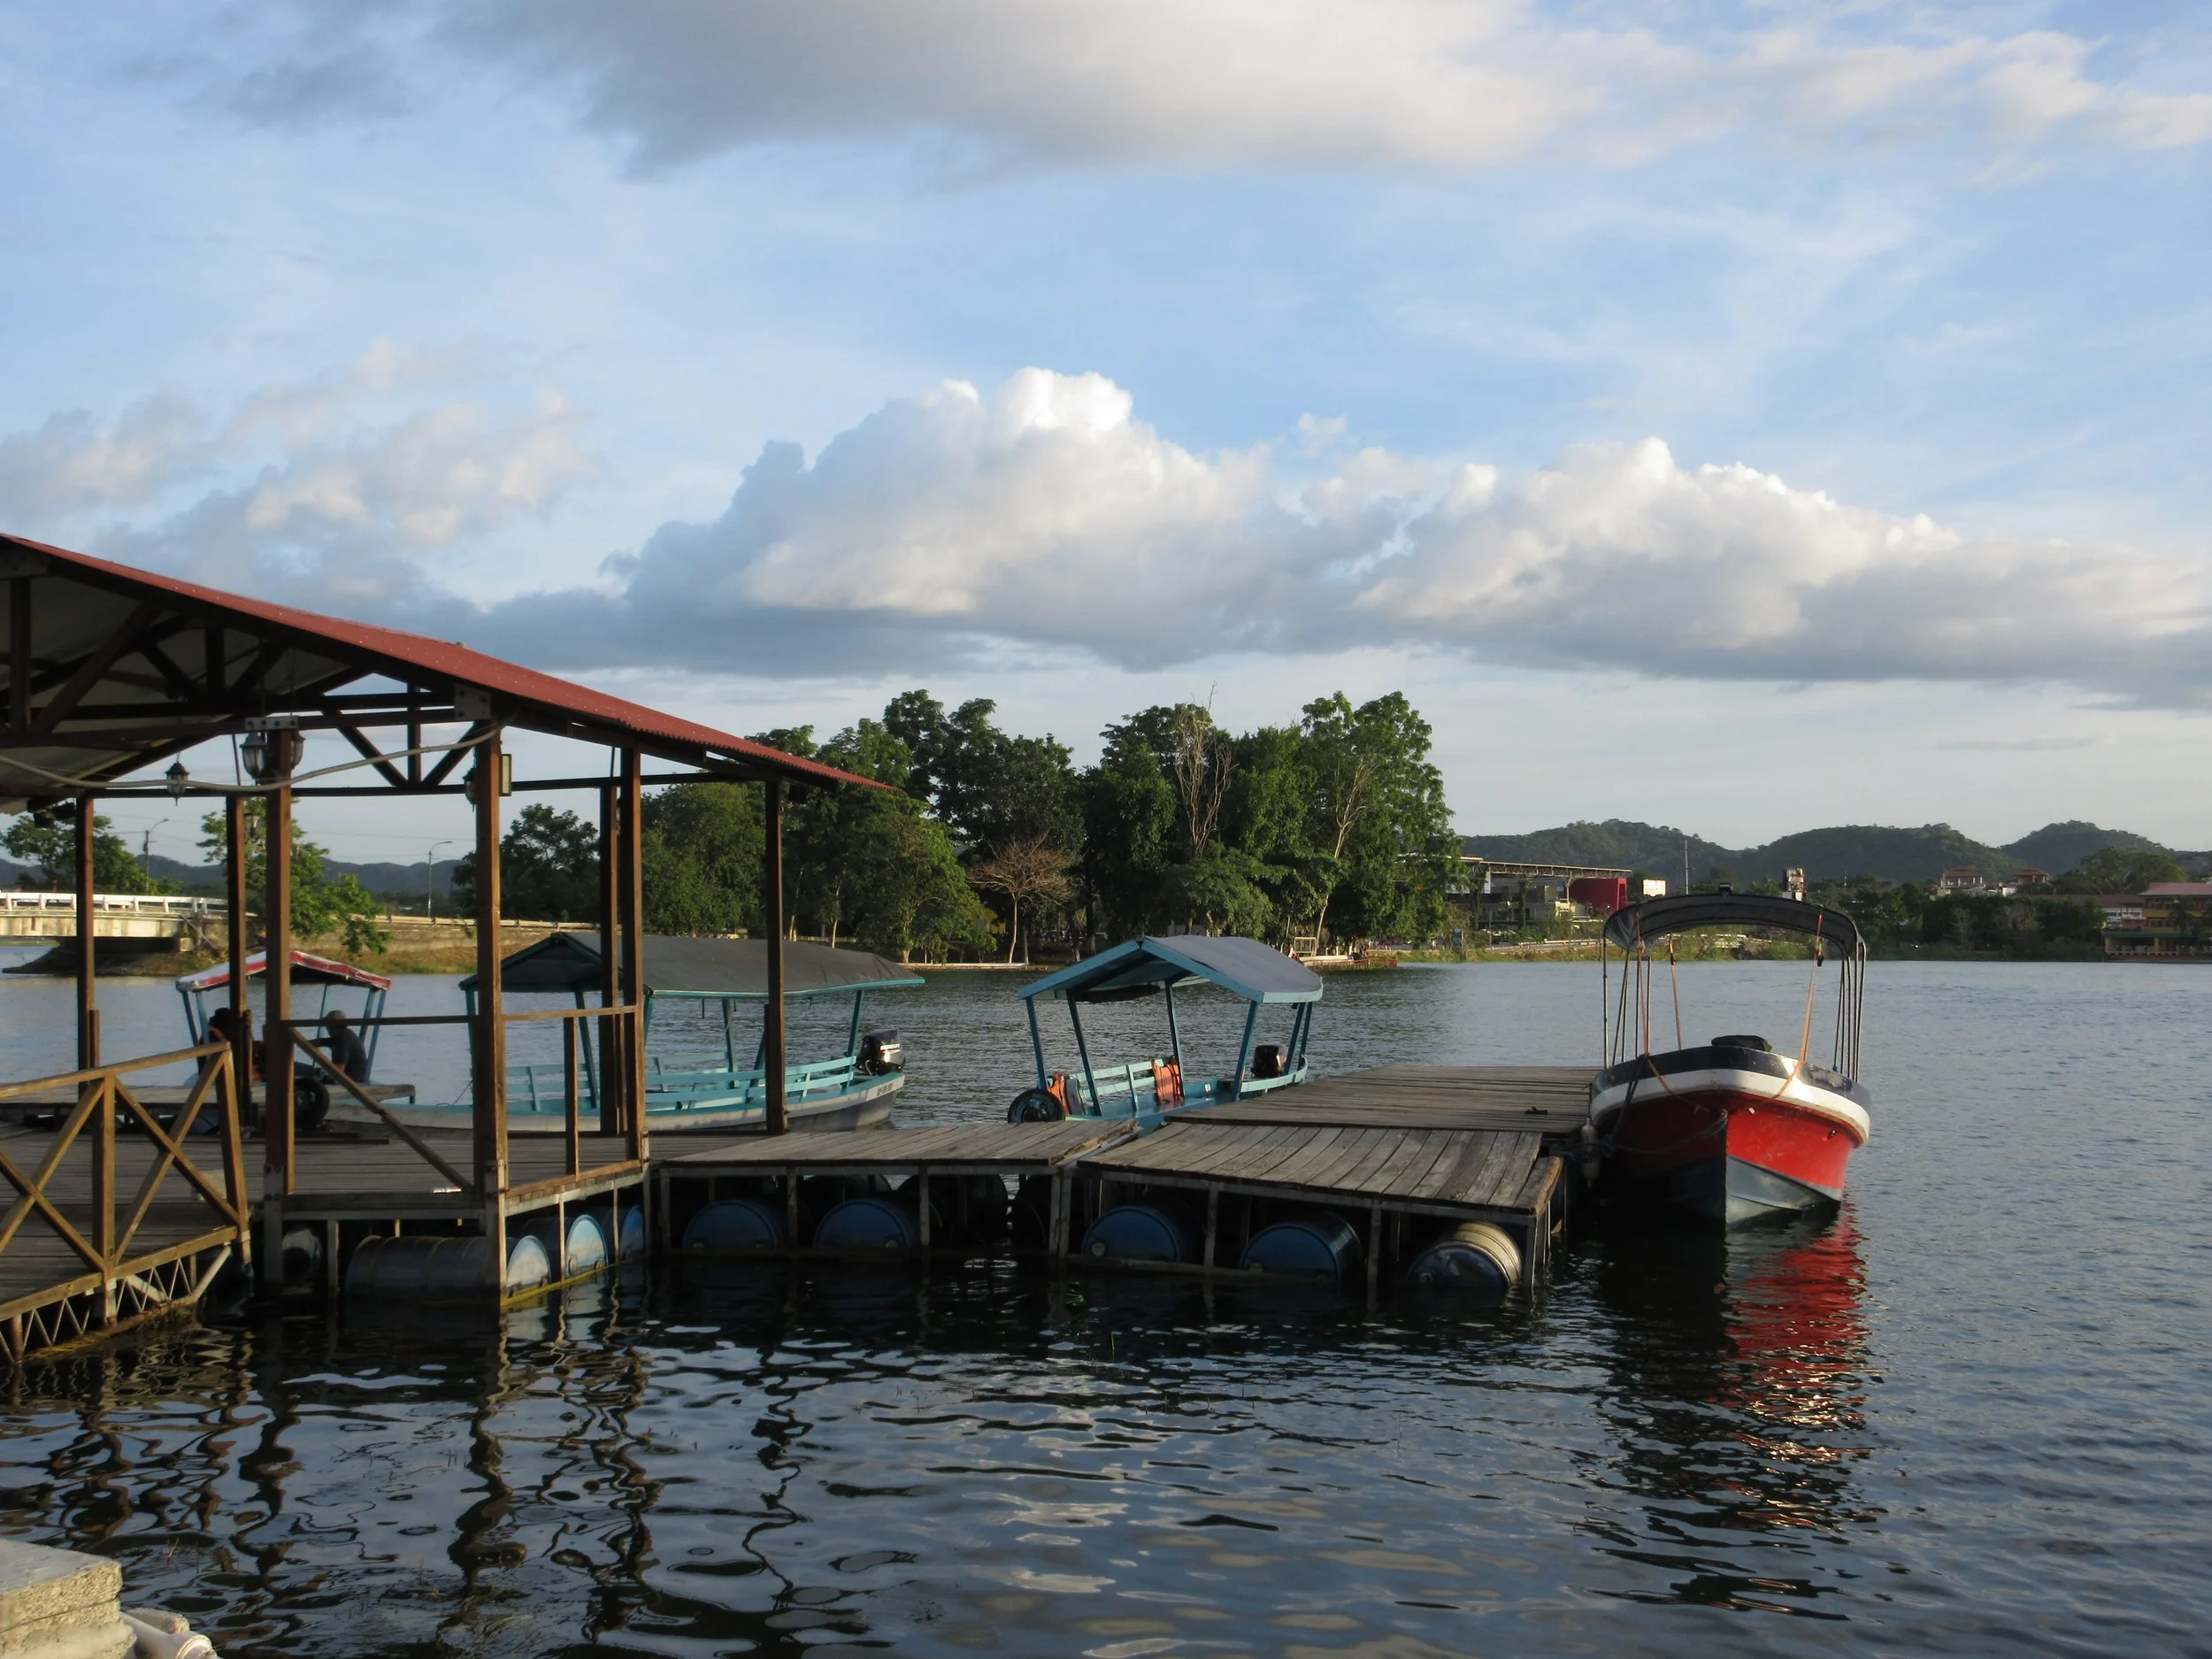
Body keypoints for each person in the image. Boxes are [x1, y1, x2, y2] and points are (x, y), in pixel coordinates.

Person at [322, 1009, 370, 1082]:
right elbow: (321, 1041)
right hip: (353, 1079)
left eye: (327, 1024)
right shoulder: (344, 1035)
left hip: (351, 1083)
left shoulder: (343, 1040)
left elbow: (338, 1071)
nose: (326, 1027)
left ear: (332, 1026)